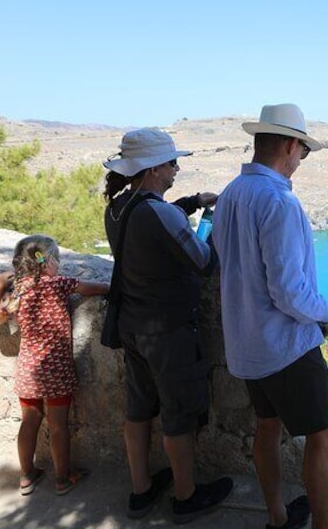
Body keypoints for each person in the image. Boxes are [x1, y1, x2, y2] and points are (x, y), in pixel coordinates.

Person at [212, 104, 328, 529]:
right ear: (290, 145)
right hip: (286, 346)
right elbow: (288, 290)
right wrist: (325, 314)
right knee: (324, 436)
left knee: (267, 427)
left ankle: (276, 515)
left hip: (247, 344)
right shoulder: (279, 202)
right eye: (303, 151)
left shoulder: (231, 193)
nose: (301, 160)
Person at [103, 128, 233, 523]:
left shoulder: (117, 207)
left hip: (132, 326)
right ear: (155, 168)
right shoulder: (157, 213)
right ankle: (185, 495)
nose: (177, 168)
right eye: (173, 163)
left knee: (139, 408)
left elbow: (155, 216)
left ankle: (141, 491)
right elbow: (204, 262)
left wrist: (192, 202)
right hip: (168, 332)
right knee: (178, 413)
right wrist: (212, 223)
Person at [0, 235, 109, 496]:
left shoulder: (17, 291)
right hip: (56, 370)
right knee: (58, 426)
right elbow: (94, 288)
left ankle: (26, 476)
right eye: (58, 259)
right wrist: (113, 286)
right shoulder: (59, 283)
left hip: (29, 369)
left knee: (29, 422)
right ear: (48, 261)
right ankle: (63, 479)